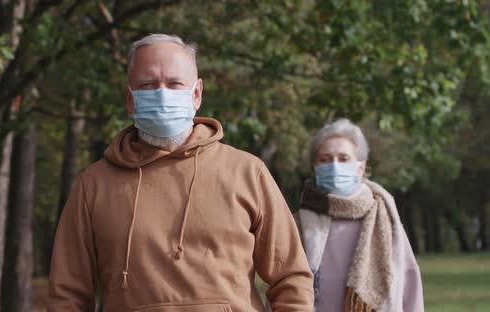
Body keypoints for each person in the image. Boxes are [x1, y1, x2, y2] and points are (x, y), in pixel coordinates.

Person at [48, 33, 314, 312]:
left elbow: (291, 279)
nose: (162, 94)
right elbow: (68, 295)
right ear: (130, 98)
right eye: (148, 84)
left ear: (196, 94)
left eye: (175, 83)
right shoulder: (94, 185)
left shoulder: (247, 172)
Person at [294, 118, 424, 311]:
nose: (335, 166)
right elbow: (282, 285)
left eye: (344, 158)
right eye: (325, 159)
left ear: (360, 167)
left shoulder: (386, 220)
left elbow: (410, 283)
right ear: (314, 167)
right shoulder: (296, 223)